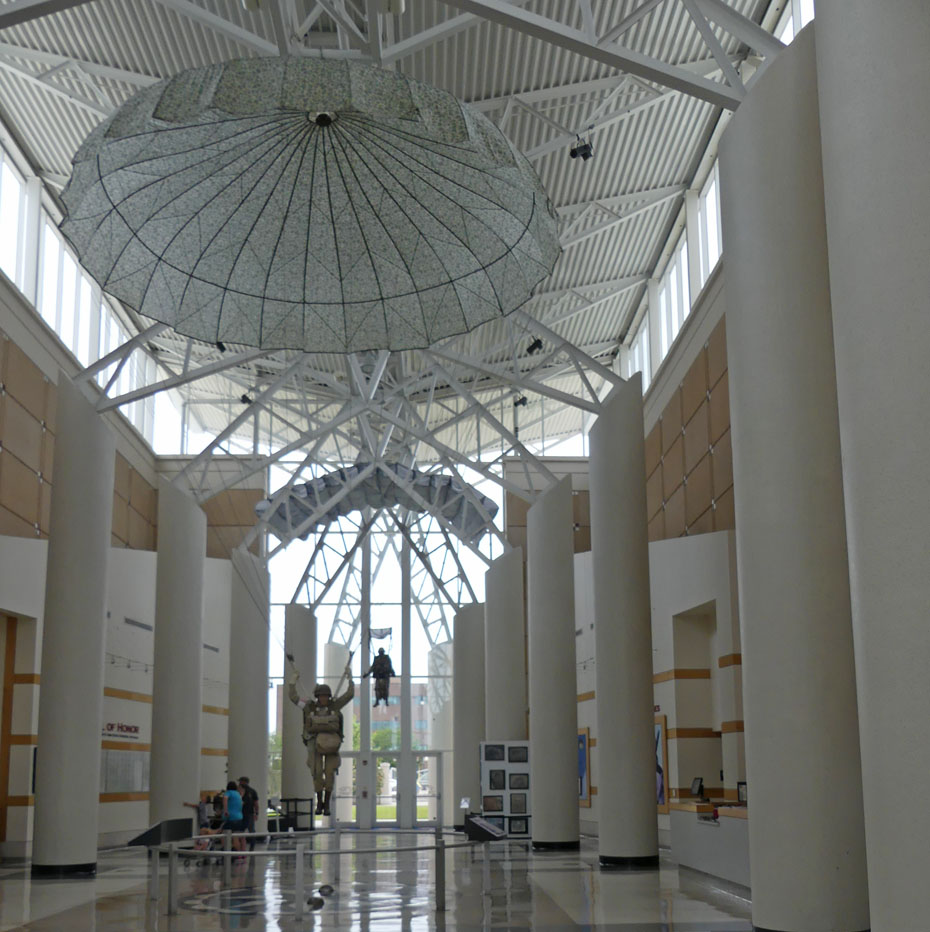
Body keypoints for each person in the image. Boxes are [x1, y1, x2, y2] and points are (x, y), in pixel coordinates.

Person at [286, 652, 354, 816]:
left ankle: (327, 804)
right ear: (317, 697)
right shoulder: (309, 706)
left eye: (325, 696)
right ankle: (319, 802)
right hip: (313, 742)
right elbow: (293, 698)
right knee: (316, 772)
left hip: (331, 743)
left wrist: (350, 679)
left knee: (329, 772)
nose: (323, 698)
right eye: (321, 696)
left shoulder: (335, 705)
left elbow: (349, 694)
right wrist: (292, 682)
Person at [221, 780, 247, 853]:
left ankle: (225, 850)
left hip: (231, 818)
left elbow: (225, 799)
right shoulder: (238, 794)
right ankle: (238, 854)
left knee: (223, 835)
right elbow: (242, 804)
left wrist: (225, 810)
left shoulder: (228, 793)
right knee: (235, 836)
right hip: (239, 817)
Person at [238, 776, 259, 851]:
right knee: (250, 830)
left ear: (244, 782)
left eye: (240, 781)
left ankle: (250, 845)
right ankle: (250, 846)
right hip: (245, 814)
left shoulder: (242, 791)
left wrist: (256, 813)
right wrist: (256, 813)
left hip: (245, 814)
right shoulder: (252, 791)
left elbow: (256, 803)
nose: (239, 783)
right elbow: (256, 804)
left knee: (245, 830)